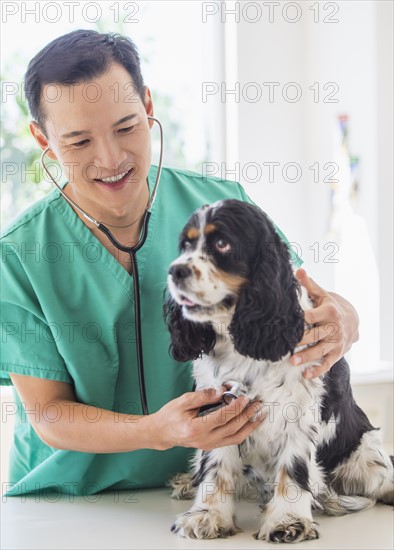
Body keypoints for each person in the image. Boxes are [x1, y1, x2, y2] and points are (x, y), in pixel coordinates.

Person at [0, 30, 359, 498]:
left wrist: (345, 317)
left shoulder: (218, 206)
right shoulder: (19, 253)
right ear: (42, 138)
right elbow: (48, 413)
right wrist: (157, 430)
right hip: (72, 499)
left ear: (148, 107)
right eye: (79, 141)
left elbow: (296, 303)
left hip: (218, 488)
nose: (110, 158)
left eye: (126, 127)